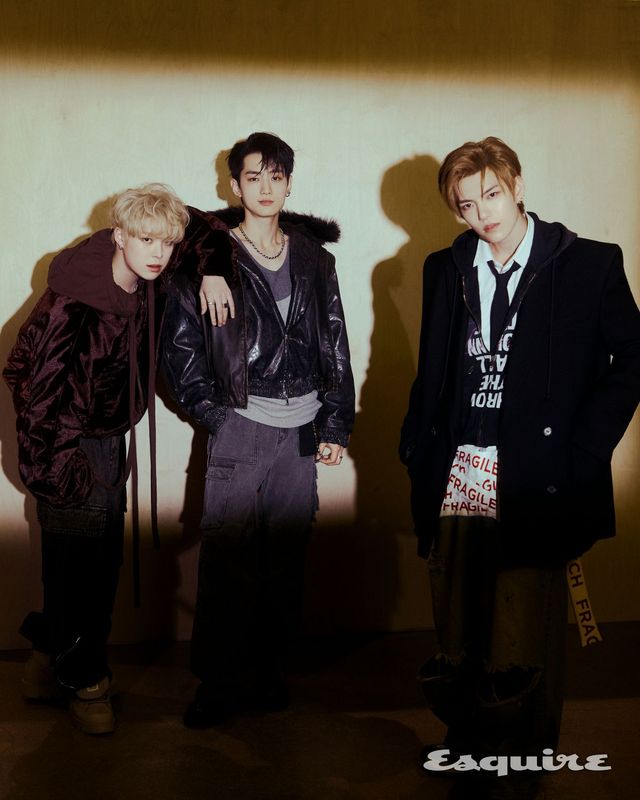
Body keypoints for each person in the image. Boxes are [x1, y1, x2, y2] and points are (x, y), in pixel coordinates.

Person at [400, 138, 640, 788]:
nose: (483, 214)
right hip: (461, 468)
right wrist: (418, 447)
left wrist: (585, 447)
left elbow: (632, 358)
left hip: (536, 473)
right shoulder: (444, 268)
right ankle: (469, 741)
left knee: (523, 622)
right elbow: (433, 372)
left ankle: (523, 758)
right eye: (467, 204)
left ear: (517, 187)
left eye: (492, 195)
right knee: (458, 618)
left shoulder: (588, 264)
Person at [162, 131, 355, 727]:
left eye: (276, 176)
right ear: (234, 185)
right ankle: (217, 684)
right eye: (253, 177)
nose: (266, 187)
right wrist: (217, 414)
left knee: (285, 559)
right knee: (227, 559)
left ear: (289, 184)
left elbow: (335, 340)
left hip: (302, 431)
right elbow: (180, 348)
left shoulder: (315, 259)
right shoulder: (208, 257)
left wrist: (335, 421)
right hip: (241, 425)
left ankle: (271, 671)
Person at [4, 184, 190, 734]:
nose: (158, 253)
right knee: (84, 578)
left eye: (167, 243)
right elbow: (25, 375)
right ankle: (87, 683)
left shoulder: (146, 285)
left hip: (108, 446)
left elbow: (205, 231)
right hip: (69, 448)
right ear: (119, 236)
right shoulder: (77, 299)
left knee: (85, 569)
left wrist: (213, 272)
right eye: (146, 239)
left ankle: (43, 665)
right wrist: (57, 463)